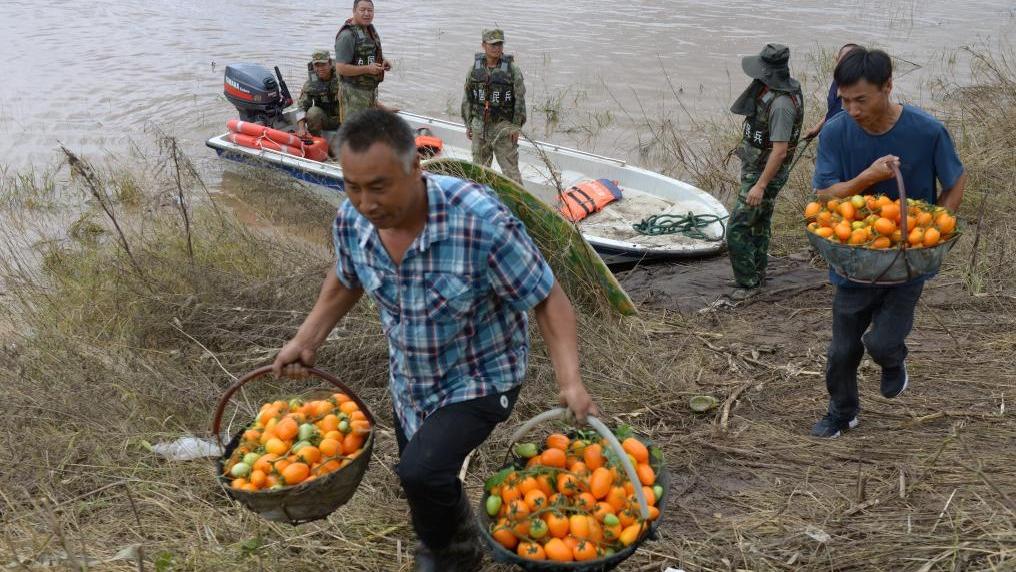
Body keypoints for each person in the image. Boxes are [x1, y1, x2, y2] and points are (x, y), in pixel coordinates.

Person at [271, 110, 598, 570]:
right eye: (353, 186)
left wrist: (570, 380)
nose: (366, 202)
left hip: (483, 376)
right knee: (422, 478)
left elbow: (546, 298)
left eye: (379, 186)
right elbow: (345, 280)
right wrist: (307, 339)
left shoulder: (479, 221)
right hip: (412, 380)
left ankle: (456, 551)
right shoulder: (352, 221)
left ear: (415, 171)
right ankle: (443, 535)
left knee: (420, 471)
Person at [810, 47, 966, 438]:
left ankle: (892, 357)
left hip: (906, 262)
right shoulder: (835, 131)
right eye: (844, 100)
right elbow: (826, 197)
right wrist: (866, 177)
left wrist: (941, 224)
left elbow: (955, 180)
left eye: (861, 99)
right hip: (854, 261)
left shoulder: (926, 130)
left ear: (888, 87)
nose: (852, 109)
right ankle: (842, 412)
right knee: (841, 351)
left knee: (881, 341)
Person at [726, 44, 805, 300]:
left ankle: (747, 284)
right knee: (759, 223)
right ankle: (756, 275)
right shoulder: (773, 91)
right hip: (757, 169)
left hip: (764, 174)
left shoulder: (781, 105)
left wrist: (760, 186)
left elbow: (780, 151)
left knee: (737, 227)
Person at [461, 28, 526, 184]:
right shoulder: (473, 70)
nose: (497, 48)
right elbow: (468, 99)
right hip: (479, 128)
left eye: (499, 44)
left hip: (503, 128)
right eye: (493, 45)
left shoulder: (512, 70)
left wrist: (516, 127)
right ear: (483, 45)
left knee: (511, 174)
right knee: (479, 172)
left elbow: (520, 100)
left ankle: (519, 205)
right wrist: (468, 124)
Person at [334, 0, 391, 121]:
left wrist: (383, 61)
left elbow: (368, 52)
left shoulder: (369, 29)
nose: (366, 13)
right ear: (354, 11)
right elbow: (341, 68)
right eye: (362, 10)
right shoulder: (347, 36)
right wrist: (367, 69)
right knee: (355, 132)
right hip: (353, 94)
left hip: (369, 92)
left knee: (368, 130)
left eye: (370, 10)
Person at [802, 43, 860, 141]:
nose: (846, 66)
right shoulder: (836, 81)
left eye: (851, 62)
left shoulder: (860, 91)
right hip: (829, 138)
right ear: (836, 59)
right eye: (843, 61)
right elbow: (833, 110)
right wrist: (816, 129)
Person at [295, 49, 340, 137]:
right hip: (325, 119)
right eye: (317, 65)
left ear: (330, 63)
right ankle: (315, 140)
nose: (320, 69)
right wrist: (301, 128)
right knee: (313, 112)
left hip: (344, 118)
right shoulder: (310, 84)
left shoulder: (342, 76)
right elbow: (302, 106)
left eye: (323, 65)